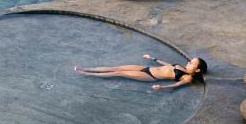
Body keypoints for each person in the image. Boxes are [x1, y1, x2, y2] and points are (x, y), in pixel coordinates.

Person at [75, 54, 208, 91]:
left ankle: (88, 74)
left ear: (197, 70)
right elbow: (167, 65)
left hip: (150, 76)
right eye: (191, 60)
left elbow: (176, 86)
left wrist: (162, 87)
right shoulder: (180, 66)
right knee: (116, 67)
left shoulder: (187, 77)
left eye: (192, 63)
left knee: (119, 73)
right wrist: (153, 58)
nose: (189, 62)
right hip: (146, 68)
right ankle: (87, 68)